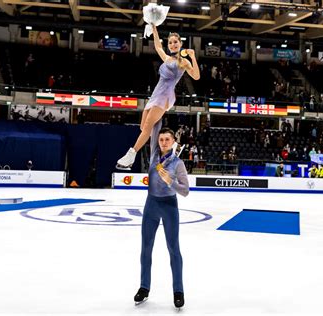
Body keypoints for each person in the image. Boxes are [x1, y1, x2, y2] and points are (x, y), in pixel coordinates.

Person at [116, 24, 200, 170]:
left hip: (166, 95)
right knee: (144, 128)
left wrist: (193, 57)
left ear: (180, 44)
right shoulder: (167, 59)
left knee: (148, 126)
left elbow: (196, 76)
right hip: (155, 94)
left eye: (175, 42)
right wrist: (154, 28)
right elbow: (158, 47)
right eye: (170, 42)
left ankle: (131, 155)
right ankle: (173, 145)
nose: (173, 44)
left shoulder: (183, 61)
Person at [133, 120, 189, 309]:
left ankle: (178, 291)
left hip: (169, 207)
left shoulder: (178, 164)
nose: (163, 142)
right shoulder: (154, 156)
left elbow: (186, 191)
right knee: (146, 248)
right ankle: (144, 287)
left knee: (173, 249)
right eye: (161, 139)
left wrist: (170, 182)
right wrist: (158, 104)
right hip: (151, 206)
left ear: (173, 142)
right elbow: (154, 125)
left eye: (167, 139)